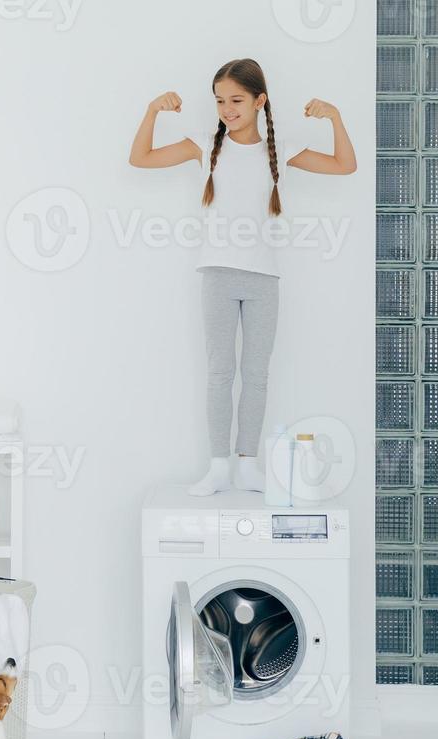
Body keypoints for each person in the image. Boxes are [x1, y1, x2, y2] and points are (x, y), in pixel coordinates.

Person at [129, 57, 356, 496]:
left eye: (236, 99)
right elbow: (139, 158)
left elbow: (345, 165)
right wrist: (152, 111)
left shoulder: (282, 150)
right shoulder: (202, 145)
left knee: (256, 375)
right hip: (216, 274)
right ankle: (217, 467)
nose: (227, 108)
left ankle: (247, 464)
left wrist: (336, 119)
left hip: (263, 279)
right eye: (219, 100)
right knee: (219, 373)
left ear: (259, 101)